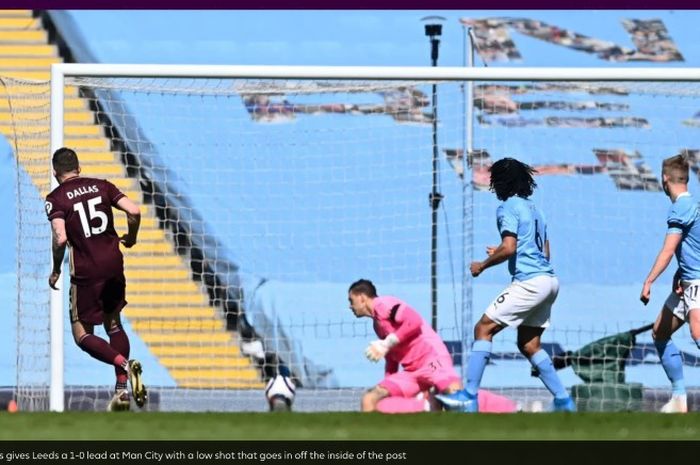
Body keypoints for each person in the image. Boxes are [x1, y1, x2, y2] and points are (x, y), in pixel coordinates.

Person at [438, 157, 576, 413]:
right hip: (549, 281)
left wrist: (484, 263)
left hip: (530, 282)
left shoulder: (507, 207)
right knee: (529, 344)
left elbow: (510, 247)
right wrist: (501, 250)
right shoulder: (535, 210)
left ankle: (469, 396)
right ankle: (564, 401)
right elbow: (542, 252)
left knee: (483, 328)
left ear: (500, 182)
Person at [46, 147, 147, 411]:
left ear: (56, 173)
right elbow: (134, 211)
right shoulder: (102, 186)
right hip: (114, 264)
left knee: (82, 334)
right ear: (78, 167)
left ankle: (125, 365)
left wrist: (56, 268)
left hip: (86, 273)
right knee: (113, 324)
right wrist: (132, 238)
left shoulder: (56, 198)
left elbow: (60, 238)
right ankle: (122, 390)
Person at [348, 279, 479, 413]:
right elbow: (391, 359)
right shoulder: (377, 326)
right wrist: (389, 383)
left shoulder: (385, 304)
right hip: (412, 374)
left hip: (432, 361)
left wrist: (387, 342)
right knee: (370, 399)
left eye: (351, 301)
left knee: (455, 396)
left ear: (362, 298)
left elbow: (414, 321)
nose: (350, 306)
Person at [640, 154, 700, 413]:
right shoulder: (692, 206)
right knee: (660, 331)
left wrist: (649, 281)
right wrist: (679, 272)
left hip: (697, 282)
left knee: (698, 333)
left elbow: (668, 249)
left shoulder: (681, 207)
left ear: (665, 179)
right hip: (686, 282)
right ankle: (678, 399)